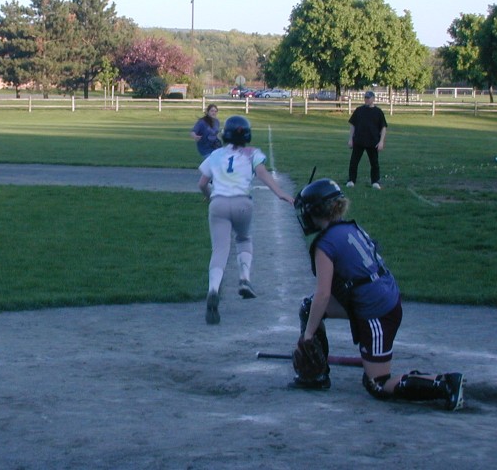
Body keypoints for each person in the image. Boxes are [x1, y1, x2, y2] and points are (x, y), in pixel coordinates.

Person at [290, 178, 465, 411]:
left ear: (316, 211)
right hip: (381, 296)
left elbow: (323, 295)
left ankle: (445, 385)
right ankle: (317, 377)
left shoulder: (324, 245)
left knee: (378, 384)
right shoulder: (349, 227)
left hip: (376, 311)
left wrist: (308, 336)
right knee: (309, 307)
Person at [197, 115, 295, 325]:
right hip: (243, 203)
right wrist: (280, 194)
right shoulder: (253, 154)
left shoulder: (215, 155)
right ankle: (244, 278)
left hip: (218, 203)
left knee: (220, 249)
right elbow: (263, 175)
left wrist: (208, 194)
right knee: (243, 238)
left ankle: (213, 289)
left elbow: (202, 183)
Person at [347, 91, 387, 189]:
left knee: (374, 163)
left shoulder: (378, 112)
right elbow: (353, 125)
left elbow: (383, 127)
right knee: (354, 162)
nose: (366, 99)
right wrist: (350, 139)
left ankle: (375, 182)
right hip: (359, 140)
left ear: (373, 99)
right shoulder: (359, 110)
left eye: (368, 98)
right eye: (365, 97)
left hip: (373, 141)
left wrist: (381, 141)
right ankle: (351, 180)